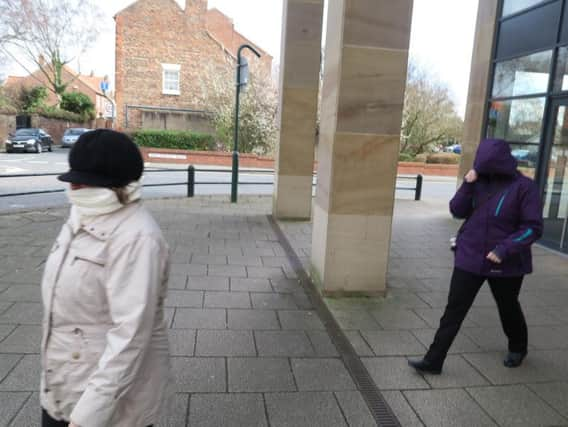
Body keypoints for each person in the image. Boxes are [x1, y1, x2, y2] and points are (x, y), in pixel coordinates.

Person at [40, 129, 170, 427]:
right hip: (62, 389)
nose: (73, 186)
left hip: (108, 409)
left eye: (83, 180)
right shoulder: (82, 214)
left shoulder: (138, 238)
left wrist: (87, 417)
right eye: (73, 176)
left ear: (112, 183)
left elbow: (131, 336)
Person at [409, 138, 543, 374]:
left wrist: (504, 249)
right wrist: (468, 184)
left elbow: (533, 227)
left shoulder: (525, 187)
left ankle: (518, 347)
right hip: (470, 255)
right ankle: (434, 359)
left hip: (505, 262)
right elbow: (456, 211)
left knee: (507, 305)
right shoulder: (478, 181)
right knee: (454, 309)